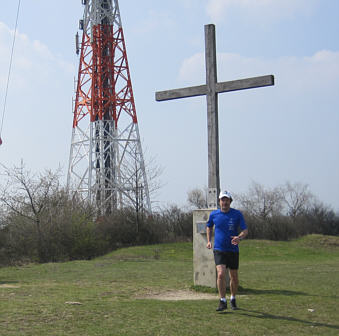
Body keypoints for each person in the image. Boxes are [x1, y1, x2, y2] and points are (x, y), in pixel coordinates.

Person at [206, 190, 248, 312]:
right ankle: (222, 301)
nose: (224, 202)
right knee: (220, 273)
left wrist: (239, 237)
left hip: (233, 250)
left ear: (230, 201)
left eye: (227, 200)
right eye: (222, 200)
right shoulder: (214, 214)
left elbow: (245, 230)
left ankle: (233, 298)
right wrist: (209, 241)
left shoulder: (237, 214)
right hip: (219, 249)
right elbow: (208, 226)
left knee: (234, 277)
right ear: (219, 201)